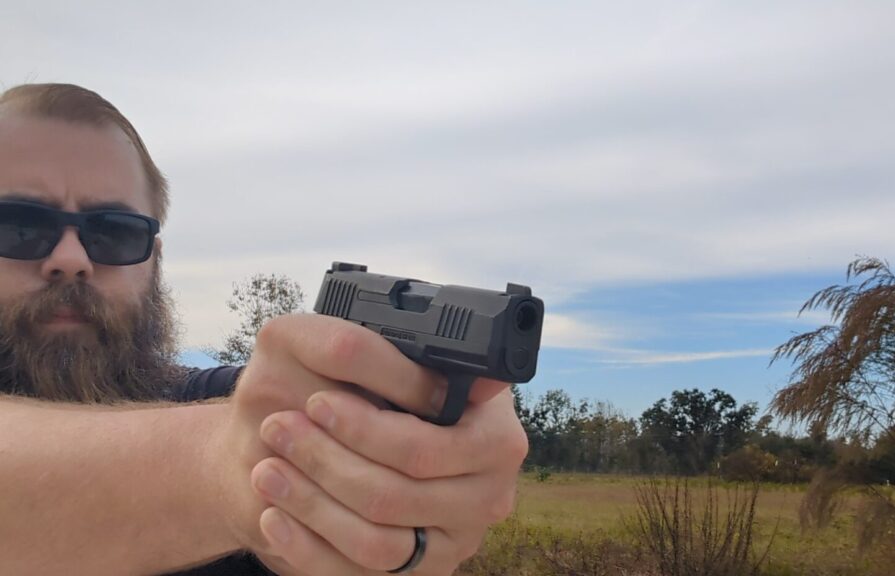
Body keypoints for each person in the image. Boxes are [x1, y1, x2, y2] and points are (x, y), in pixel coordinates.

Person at [0, 83, 529, 576]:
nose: (69, 259)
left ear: (153, 262)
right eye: (18, 225)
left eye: (113, 233)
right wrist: (237, 470)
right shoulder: (225, 433)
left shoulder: (215, 404)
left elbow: (262, 411)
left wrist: (409, 435)